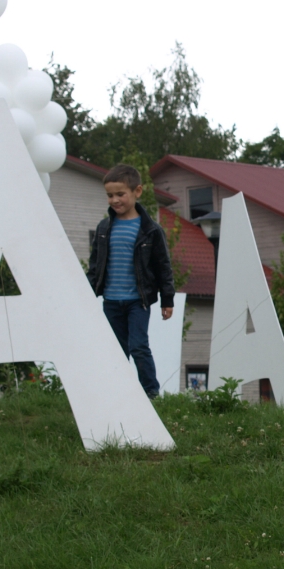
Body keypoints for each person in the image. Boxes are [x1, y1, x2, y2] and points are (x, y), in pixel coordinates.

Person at [87, 164, 175, 398]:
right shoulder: (104, 228)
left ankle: (151, 393)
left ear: (137, 192)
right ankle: (116, 393)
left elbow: (163, 266)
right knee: (115, 351)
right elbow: (95, 265)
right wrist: (85, 293)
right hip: (111, 301)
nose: (114, 200)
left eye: (120, 194)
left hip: (138, 301)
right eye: (109, 195)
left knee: (138, 346)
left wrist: (168, 299)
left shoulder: (151, 230)